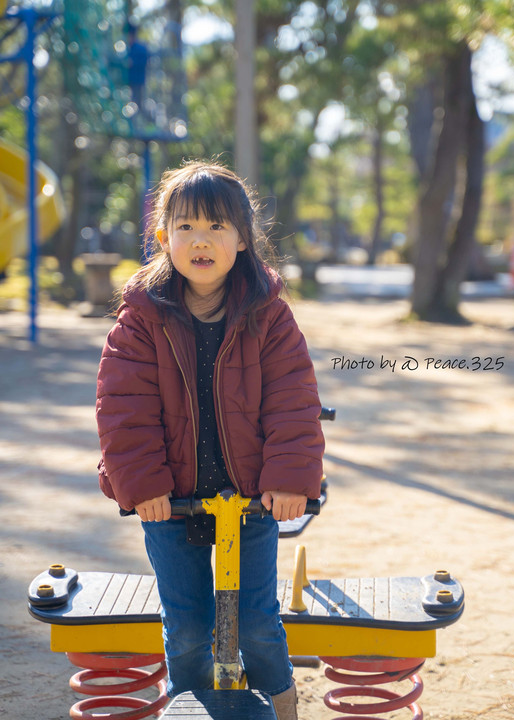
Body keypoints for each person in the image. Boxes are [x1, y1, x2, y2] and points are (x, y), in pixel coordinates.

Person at [96, 160, 324, 720]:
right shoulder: (140, 318)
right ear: (162, 237)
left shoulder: (267, 313)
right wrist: (144, 487)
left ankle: (281, 697)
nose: (201, 241)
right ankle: (193, 705)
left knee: (256, 623)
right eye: (186, 227)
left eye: (217, 227)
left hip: (250, 502)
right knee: (190, 626)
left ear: (243, 239)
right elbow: (124, 410)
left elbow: (293, 401)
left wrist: (290, 482)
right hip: (171, 503)